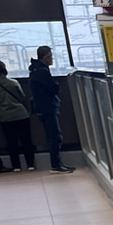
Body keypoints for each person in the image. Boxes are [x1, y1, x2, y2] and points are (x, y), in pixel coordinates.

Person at [28, 45, 74, 173]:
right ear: (46, 56)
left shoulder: (35, 70)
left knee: (52, 136)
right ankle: (56, 165)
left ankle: (57, 163)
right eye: (51, 56)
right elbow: (53, 89)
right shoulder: (42, 71)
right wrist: (57, 85)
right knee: (55, 136)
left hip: (42, 107)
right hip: (47, 107)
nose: (52, 59)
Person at [0, 60, 36, 171]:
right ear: (5, 70)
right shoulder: (13, 83)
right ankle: (30, 164)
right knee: (26, 140)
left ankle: (16, 166)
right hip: (21, 114)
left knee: (11, 142)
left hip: (5, 117)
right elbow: (22, 97)